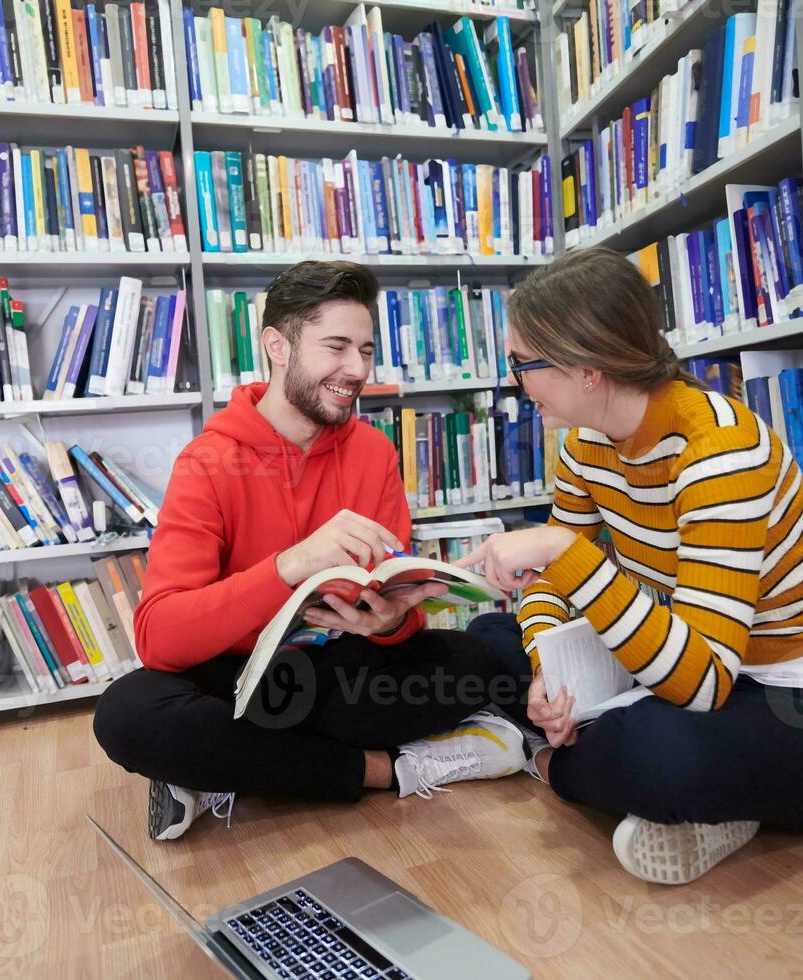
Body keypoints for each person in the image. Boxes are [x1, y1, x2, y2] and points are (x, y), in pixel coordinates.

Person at [459, 248, 803, 885]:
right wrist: (545, 674)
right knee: (487, 643)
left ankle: (553, 762)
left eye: (523, 364)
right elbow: (549, 588)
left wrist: (564, 552)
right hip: (700, 659)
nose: (516, 382)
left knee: (654, 752)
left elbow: (702, 683)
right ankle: (628, 766)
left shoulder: (717, 449)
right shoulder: (586, 444)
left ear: (588, 369)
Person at [94, 260, 533, 841]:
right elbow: (159, 638)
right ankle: (383, 769)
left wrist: (391, 622)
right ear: (278, 345)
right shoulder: (208, 462)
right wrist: (288, 566)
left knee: (474, 664)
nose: (356, 370)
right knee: (129, 714)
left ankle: (222, 767)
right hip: (236, 674)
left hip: (334, 667)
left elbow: (396, 599)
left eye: (367, 350)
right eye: (336, 347)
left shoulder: (374, 453)